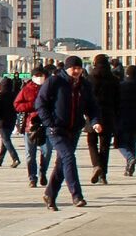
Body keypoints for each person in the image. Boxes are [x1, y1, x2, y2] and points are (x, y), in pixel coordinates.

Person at [36, 55, 101, 211]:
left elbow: (92, 106)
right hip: (56, 129)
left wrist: (95, 122)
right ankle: (77, 195)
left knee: (62, 164)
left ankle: (50, 195)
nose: (77, 71)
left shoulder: (84, 85)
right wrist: (49, 123)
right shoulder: (55, 82)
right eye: (74, 68)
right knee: (69, 157)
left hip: (74, 129)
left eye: (79, 68)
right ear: (67, 68)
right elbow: (40, 103)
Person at [14, 66, 52, 188]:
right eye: (37, 75)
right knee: (30, 153)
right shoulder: (26, 89)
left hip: (46, 124)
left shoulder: (50, 88)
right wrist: (33, 105)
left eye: (42, 75)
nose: (39, 78)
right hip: (31, 125)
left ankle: (43, 172)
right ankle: (32, 177)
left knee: (47, 151)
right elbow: (17, 105)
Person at [87, 54, 119, 185]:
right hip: (108, 114)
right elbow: (118, 100)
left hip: (92, 114)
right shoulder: (114, 79)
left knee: (91, 142)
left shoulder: (89, 79)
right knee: (105, 145)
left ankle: (96, 165)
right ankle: (103, 175)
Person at [0, 76, 20, 168]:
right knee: (5, 139)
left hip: (1, 121)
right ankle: (0, 159)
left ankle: (15, 158)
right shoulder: (14, 95)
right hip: (11, 120)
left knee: (6, 140)